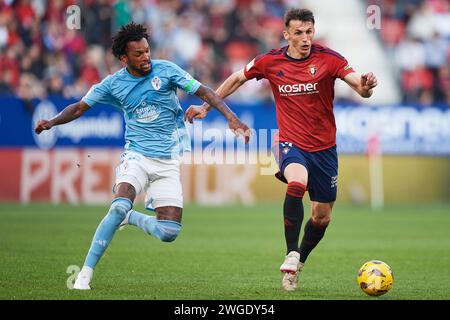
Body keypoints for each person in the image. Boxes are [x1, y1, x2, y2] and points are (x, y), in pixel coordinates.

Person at [34, 22, 250, 290]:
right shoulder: (113, 84)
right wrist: (52, 122)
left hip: (169, 159)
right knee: (119, 204)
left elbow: (204, 91)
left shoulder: (167, 70)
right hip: (137, 154)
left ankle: (131, 218)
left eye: (147, 51)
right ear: (124, 58)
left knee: (169, 232)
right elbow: (79, 107)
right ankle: (85, 273)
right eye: (138, 54)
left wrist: (231, 117)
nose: (146, 57)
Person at [185, 8, 377, 291]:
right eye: (298, 33)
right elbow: (238, 78)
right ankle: (291, 252)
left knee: (321, 217)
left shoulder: (329, 59)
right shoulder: (270, 61)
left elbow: (360, 88)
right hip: (289, 142)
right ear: (286, 34)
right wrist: (205, 106)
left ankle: (298, 264)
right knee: (297, 181)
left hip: (325, 148)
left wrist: (367, 87)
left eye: (309, 32)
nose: (305, 38)